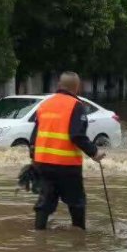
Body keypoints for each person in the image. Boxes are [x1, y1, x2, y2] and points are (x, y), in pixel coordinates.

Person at [29, 72, 105, 230]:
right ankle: (79, 237)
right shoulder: (76, 105)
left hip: (42, 163)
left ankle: (39, 233)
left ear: (59, 85)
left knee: (45, 201)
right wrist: (94, 153)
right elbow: (77, 135)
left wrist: (33, 157)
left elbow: (34, 135)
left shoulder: (45, 104)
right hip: (66, 165)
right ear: (77, 88)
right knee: (76, 202)